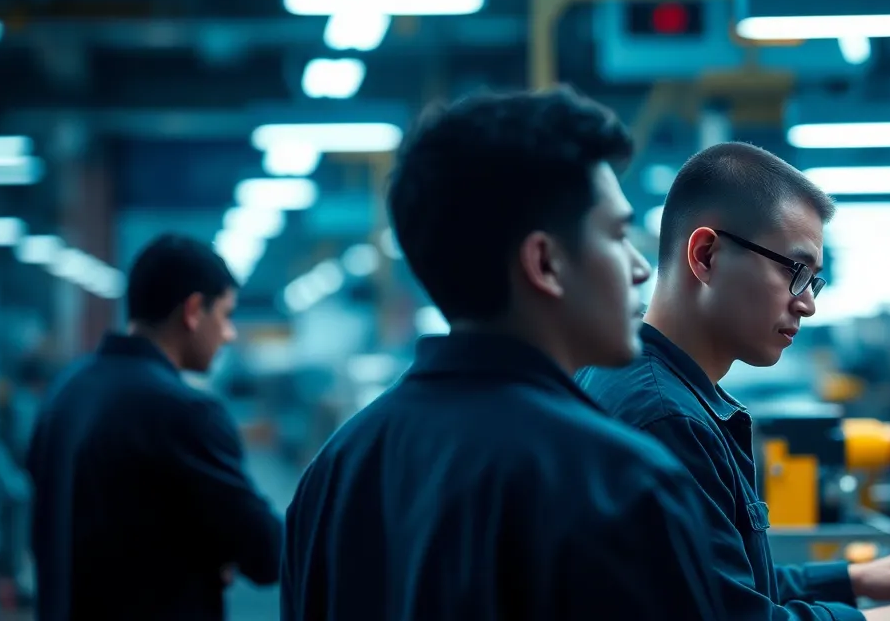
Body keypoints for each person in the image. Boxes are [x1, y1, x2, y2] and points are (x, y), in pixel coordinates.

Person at [280, 88, 726, 621]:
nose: (639, 268)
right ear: (545, 262)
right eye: (616, 234)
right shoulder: (623, 482)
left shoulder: (334, 473)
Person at [578, 142, 890, 621]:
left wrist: (852, 579)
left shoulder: (645, 384)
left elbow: (707, 582)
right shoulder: (667, 419)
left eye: (813, 282)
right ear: (707, 256)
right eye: (795, 271)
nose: (807, 304)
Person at [27, 235, 283, 621]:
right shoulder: (186, 411)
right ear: (194, 311)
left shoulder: (66, 391)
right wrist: (216, 549)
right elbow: (267, 553)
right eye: (225, 315)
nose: (229, 334)